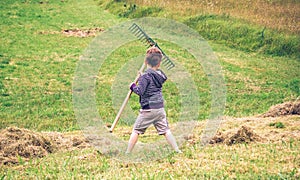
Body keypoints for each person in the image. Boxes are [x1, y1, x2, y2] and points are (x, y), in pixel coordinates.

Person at [126, 46, 182, 154]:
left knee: (136, 130)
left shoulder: (145, 77)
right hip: (159, 108)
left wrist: (133, 86)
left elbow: (140, 91)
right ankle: (176, 149)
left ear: (146, 61)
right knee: (166, 130)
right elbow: (151, 77)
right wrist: (143, 76)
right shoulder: (160, 75)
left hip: (148, 109)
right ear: (159, 63)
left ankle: (127, 152)